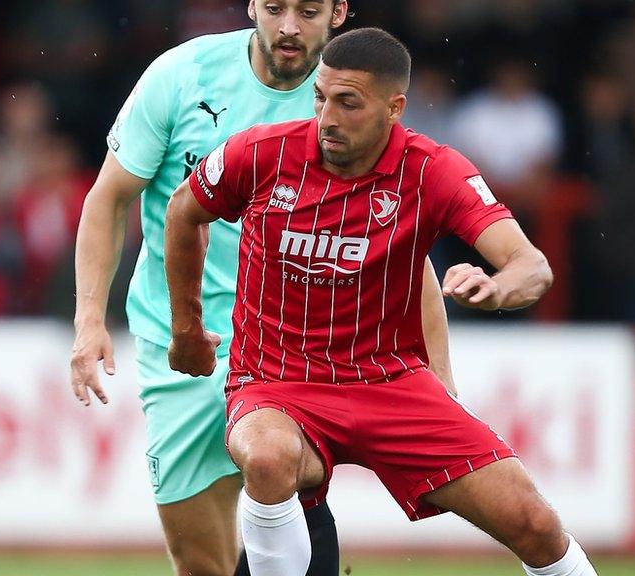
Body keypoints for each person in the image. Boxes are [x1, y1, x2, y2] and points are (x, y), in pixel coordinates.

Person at [165, 28, 599, 576]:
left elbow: (531, 265)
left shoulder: (433, 170)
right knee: (268, 458)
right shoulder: (261, 153)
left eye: (348, 102)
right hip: (277, 382)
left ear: (394, 107)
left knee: (534, 523)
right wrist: (187, 328)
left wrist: (496, 289)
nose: (327, 117)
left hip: (392, 384)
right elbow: (184, 209)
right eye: (320, 97)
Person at [69, 3, 458, 575]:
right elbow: (108, 197)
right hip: (180, 344)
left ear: (339, 12)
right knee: (203, 564)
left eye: (308, 9)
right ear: (252, 5)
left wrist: (439, 378)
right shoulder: (182, 76)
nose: (290, 26)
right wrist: (88, 321)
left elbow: (398, 249)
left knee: (290, 491)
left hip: (290, 348)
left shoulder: (349, 105)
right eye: (275, 7)